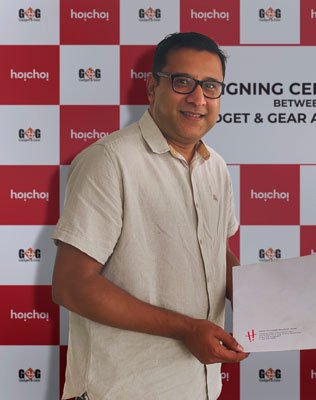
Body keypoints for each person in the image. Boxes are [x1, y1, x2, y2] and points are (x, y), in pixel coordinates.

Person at [52, 32, 248, 400]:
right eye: (182, 82)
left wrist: (263, 302)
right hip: (121, 391)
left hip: (200, 387)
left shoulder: (216, 167)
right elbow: (71, 285)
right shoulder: (109, 161)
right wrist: (186, 328)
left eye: (210, 86)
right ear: (152, 87)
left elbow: (215, 252)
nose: (198, 99)